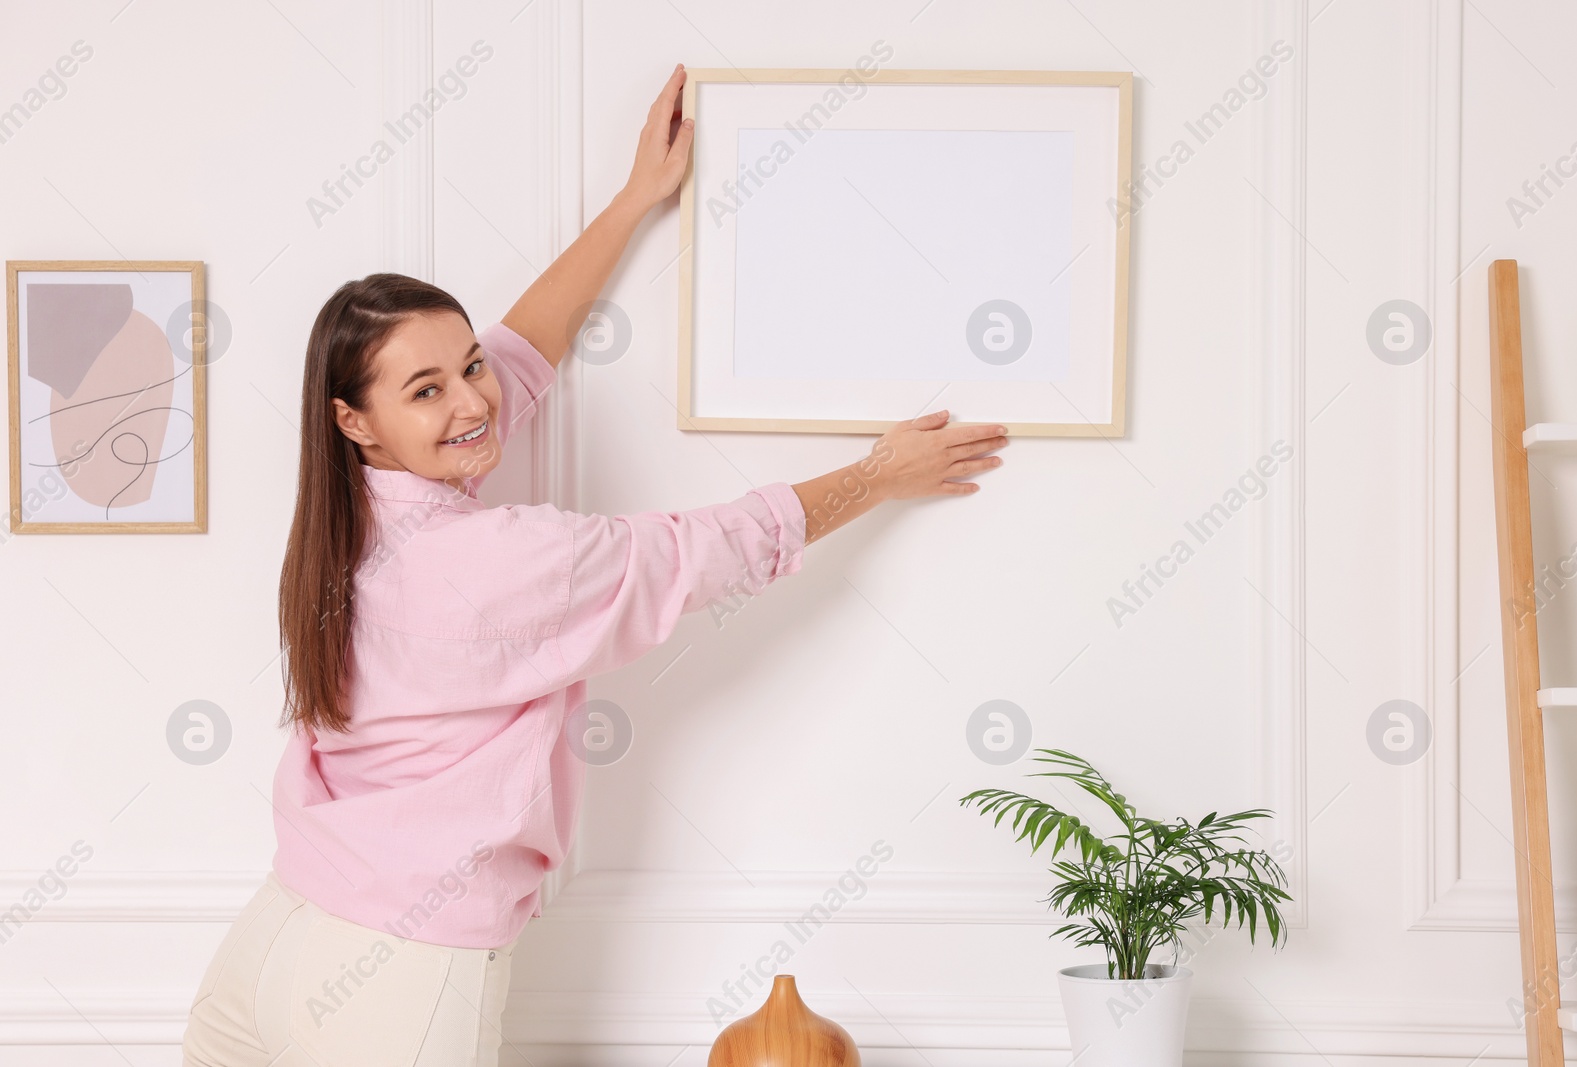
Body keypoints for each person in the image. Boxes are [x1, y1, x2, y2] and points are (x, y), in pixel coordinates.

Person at [181, 64, 1008, 1066]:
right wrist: (878, 474)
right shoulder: (492, 559)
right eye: (427, 389)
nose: (472, 403)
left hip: (277, 936)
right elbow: (706, 550)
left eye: (465, 368)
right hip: (395, 971)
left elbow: (519, 352)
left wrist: (631, 204)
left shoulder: (347, 506)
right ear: (356, 420)